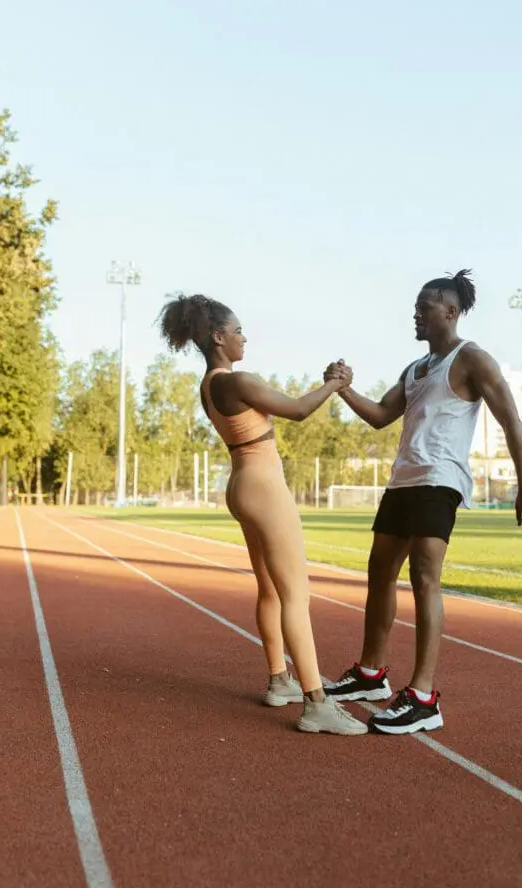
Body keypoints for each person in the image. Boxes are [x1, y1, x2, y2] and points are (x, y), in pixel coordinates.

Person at [324, 270, 522, 734]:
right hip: (404, 479)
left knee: (424, 575)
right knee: (379, 571)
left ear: (450, 311)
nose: (416, 313)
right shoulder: (416, 368)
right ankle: (370, 673)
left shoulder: (473, 360)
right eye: (416, 306)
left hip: (439, 478)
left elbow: (512, 421)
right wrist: (343, 388)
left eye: (425, 306)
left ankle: (423, 696)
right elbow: (383, 416)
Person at [158, 293, 367, 735]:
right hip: (264, 488)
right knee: (296, 595)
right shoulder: (235, 380)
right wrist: (336, 383)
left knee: (271, 590)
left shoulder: (209, 384)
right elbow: (297, 409)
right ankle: (316, 703)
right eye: (237, 332)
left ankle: (280, 680)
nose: (244, 339)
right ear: (218, 337)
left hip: (242, 485)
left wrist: (330, 384)